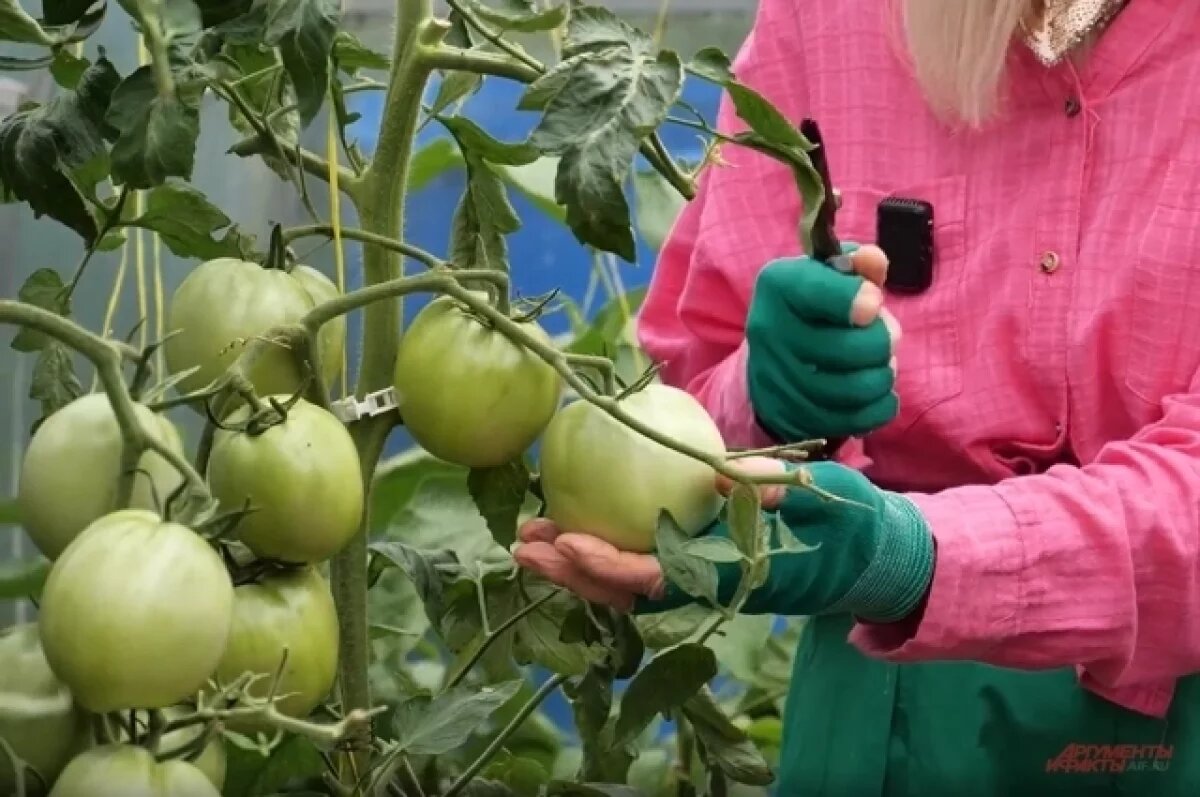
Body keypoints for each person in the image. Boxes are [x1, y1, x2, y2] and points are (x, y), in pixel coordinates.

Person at [516, 0, 1200, 794]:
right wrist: (766, 400)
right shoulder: (826, 19)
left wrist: (909, 557)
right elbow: (690, 401)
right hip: (867, 714)